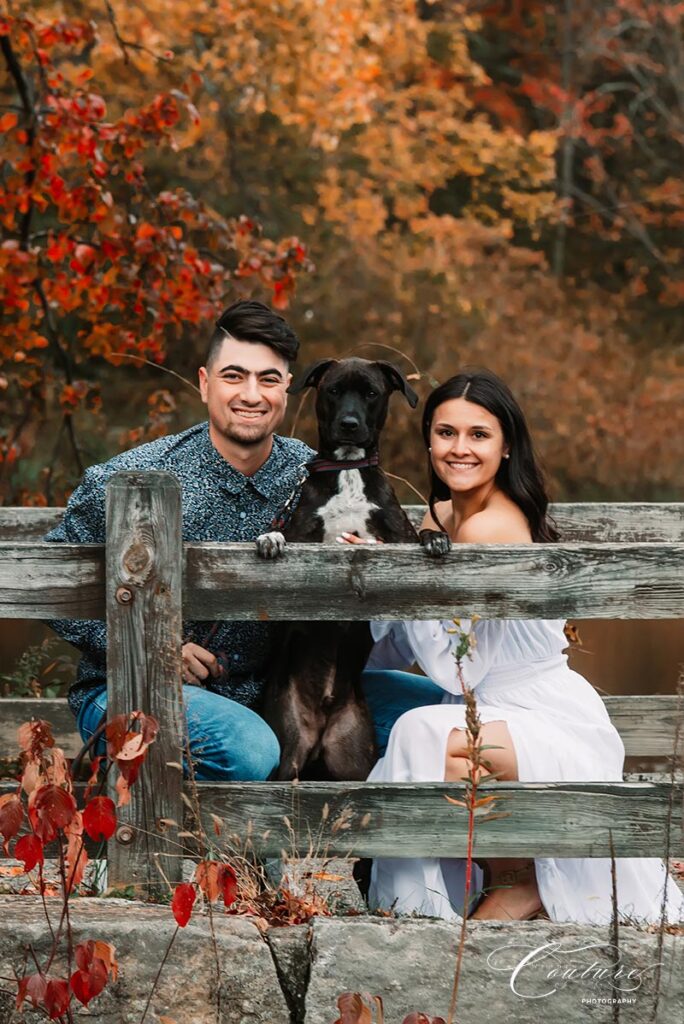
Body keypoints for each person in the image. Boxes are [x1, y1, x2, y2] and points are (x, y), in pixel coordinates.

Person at [353, 368, 684, 924]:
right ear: (428, 440)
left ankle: (511, 884)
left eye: (478, 435)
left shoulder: (491, 527)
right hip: (496, 710)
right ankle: (492, 882)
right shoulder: (438, 517)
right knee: (392, 719)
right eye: (445, 432)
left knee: (420, 731)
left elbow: (458, 671)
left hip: (545, 716)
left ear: (506, 446)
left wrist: (400, 580)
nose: (459, 449)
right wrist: (373, 568)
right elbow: (391, 652)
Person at [45, 300, 314, 781]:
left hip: (266, 687)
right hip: (128, 684)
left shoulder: (310, 475)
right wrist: (156, 645)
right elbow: (49, 580)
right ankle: (148, 836)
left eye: (268, 379)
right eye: (234, 376)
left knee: (411, 709)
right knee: (248, 747)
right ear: (205, 382)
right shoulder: (133, 478)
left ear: (287, 389)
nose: (252, 394)